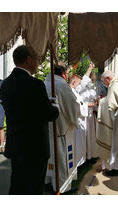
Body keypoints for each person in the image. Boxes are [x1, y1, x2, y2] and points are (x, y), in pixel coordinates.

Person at [0, 45, 59, 195]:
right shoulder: (35, 84)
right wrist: (55, 107)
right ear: (28, 60)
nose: (37, 64)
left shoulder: (6, 84)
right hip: (34, 147)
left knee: (18, 185)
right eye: (36, 60)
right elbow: (47, 114)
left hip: (16, 143)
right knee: (34, 187)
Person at [44, 64, 81, 194]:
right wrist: (76, 115)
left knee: (50, 159)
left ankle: (48, 183)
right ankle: (63, 188)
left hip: (47, 130)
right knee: (62, 158)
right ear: (64, 74)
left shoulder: (44, 83)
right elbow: (72, 107)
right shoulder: (61, 85)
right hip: (61, 131)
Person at [68, 68, 95, 168]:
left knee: (82, 143)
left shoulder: (74, 91)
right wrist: (87, 105)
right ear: (74, 82)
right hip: (77, 121)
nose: (80, 86)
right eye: (79, 84)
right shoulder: (71, 92)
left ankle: (81, 162)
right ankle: (77, 165)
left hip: (82, 120)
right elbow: (77, 106)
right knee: (78, 145)